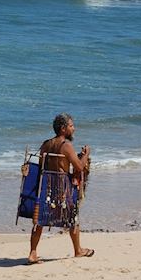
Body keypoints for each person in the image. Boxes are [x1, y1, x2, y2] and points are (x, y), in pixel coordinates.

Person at [27, 113, 94, 265]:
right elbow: (79, 166)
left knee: (39, 221)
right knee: (73, 218)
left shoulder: (45, 144)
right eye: (71, 126)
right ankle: (78, 250)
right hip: (63, 190)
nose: (74, 129)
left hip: (47, 190)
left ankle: (32, 252)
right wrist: (86, 155)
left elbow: (42, 166)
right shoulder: (66, 146)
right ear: (63, 129)